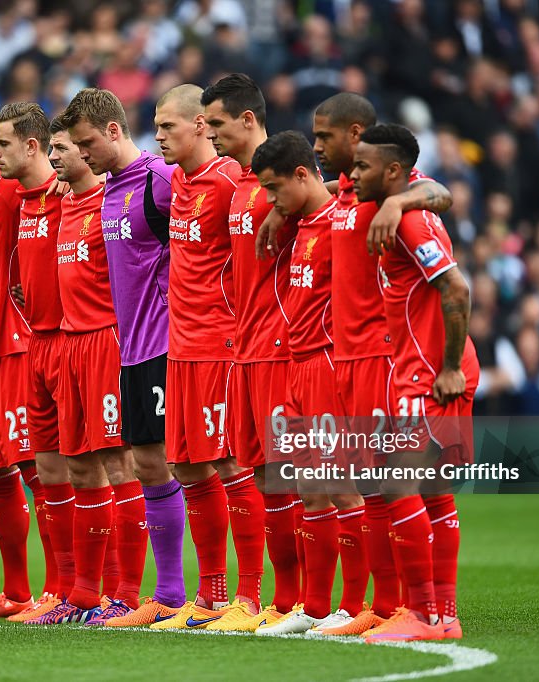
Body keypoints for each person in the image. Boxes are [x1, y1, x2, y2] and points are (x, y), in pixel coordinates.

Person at [60, 88, 187, 627]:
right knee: (148, 465)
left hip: (164, 343)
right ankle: (166, 598)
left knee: (177, 465)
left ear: (114, 131)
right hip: (128, 349)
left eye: (88, 142)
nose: (82, 153)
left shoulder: (162, 180)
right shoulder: (109, 190)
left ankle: (177, 594)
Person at [350, 123, 478, 642]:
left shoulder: (411, 223)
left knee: (399, 481)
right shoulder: (408, 202)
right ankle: (440, 616)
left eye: (362, 166)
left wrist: (447, 367)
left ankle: (424, 613)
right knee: (430, 491)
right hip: (419, 364)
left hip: (431, 369)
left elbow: (456, 287)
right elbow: (437, 190)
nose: (353, 173)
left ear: (394, 172)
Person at [149, 83, 263, 631]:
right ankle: (212, 595)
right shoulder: (175, 180)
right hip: (180, 346)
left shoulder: (231, 181)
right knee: (187, 466)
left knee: (230, 463)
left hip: (221, 343)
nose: (159, 137)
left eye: (168, 127)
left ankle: (251, 595)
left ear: (201, 125)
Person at [28, 116, 146, 625]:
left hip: (107, 342)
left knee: (120, 465)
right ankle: (83, 596)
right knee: (79, 468)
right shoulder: (61, 204)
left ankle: (128, 595)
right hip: (70, 345)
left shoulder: (109, 199)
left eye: (68, 147)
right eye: (54, 147)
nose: (57, 157)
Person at [0, 102, 66, 620]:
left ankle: (58, 589)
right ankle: (17, 591)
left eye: (1, 145)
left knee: (41, 472)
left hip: (21, 350)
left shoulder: (34, 192)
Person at [247, 131, 352, 635]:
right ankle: (312, 609)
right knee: (309, 490)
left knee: (345, 488)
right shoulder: (300, 220)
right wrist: (279, 211)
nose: (269, 201)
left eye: (273, 190)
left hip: (330, 364)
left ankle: (354, 607)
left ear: (303, 176)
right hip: (294, 363)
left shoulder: (340, 220)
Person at [199, 73, 294, 632]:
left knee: (302, 478)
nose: (209, 135)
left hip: (286, 349)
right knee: (261, 476)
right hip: (245, 348)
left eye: (216, 125)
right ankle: (266, 602)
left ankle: (313, 603)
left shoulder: (289, 181)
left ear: (248, 120)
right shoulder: (239, 184)